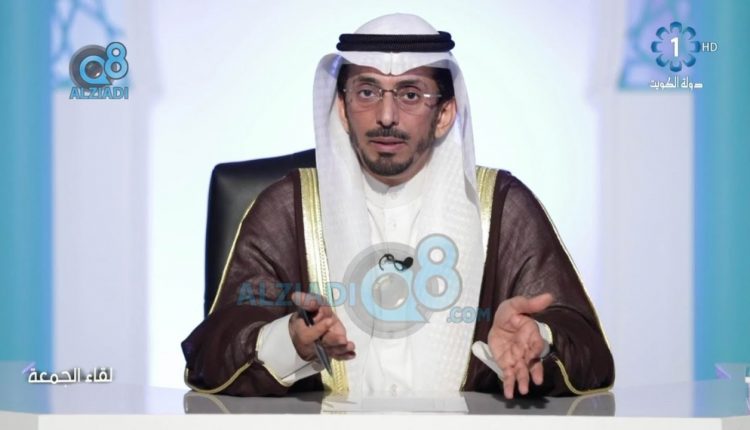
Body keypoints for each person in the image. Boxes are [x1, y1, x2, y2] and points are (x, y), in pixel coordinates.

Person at [182, 13, 614, 399]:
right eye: (367, 92)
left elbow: (590, 355)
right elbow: (210, 356)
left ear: (444, 114)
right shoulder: (290, 208)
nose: (386, 116)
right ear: (343, 108)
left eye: (410, 95)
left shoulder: (499, 206)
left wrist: (537, 340)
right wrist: (291, 341)